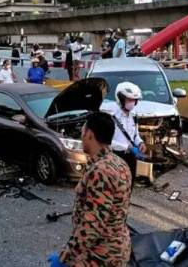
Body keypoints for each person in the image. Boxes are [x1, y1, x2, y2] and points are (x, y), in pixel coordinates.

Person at [48, 112, 132, 267]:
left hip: (99, 256)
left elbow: (92, 224)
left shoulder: (101, 171)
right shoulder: (120, 163)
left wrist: (65, 257)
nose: (81, 135)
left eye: (82, 130)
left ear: (89, 134)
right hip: (114, 248)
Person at [106, 82, 147, 188]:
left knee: (129, 185)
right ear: (121, 99)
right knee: (117, 186)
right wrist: (127, 147)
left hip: (131, 157)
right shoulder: (112, 118)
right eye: (129, 100)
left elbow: (134, 135)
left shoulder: (133, 117)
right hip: (116, 156)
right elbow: (108, 141)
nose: (132, 103)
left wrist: (140, 143)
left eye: (134, 100)